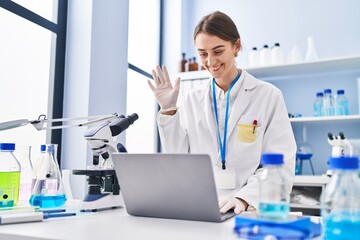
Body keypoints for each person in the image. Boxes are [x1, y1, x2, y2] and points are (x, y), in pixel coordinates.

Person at [147, 11, 296, 214]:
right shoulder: (191, 98)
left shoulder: (268, 96)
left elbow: (281, 164)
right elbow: (179, 159)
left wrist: (242, 199)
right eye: (203, 54)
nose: (210, 61)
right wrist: (168, 109)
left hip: (247, 209)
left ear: (236, 47)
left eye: (218, 51)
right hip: (200, 207)